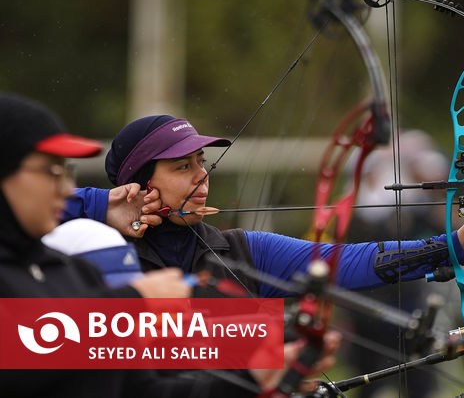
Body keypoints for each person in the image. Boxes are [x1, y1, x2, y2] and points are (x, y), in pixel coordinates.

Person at [0, 94, 338, 397]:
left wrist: (254, 378)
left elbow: (146, 391)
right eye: (50, 172)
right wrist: (133, 302)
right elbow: (25, 354)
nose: (65, 190)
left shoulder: (71, 273)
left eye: (66, 173)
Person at [65, 115, 464, 299]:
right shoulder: (87, 252)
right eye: (182, 167)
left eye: (202, 162)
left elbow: (346, 262)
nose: (202, 177)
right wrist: (101, 204)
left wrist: (457, 243)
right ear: (139, 186)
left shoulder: (242, 252)